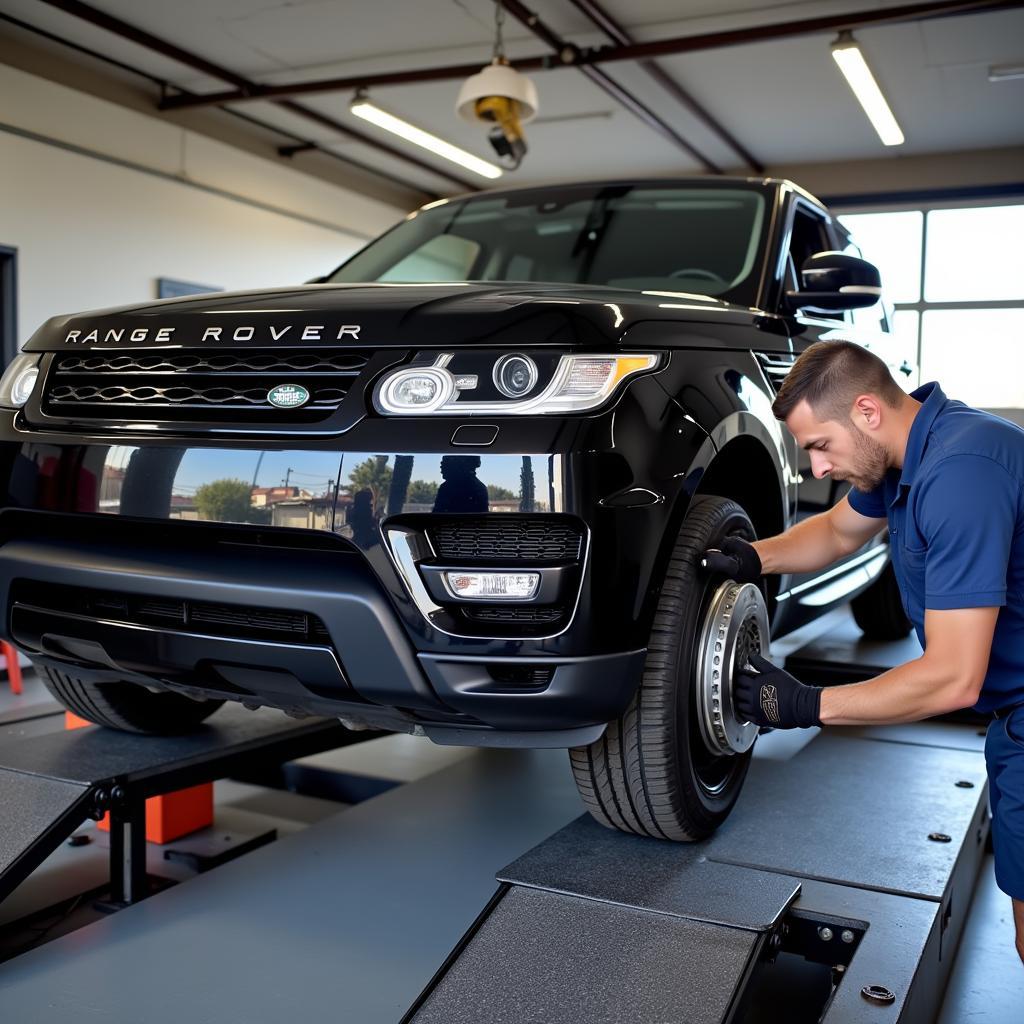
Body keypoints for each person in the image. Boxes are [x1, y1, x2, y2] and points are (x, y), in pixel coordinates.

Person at [702, 339, 1024, 965]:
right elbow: (835, 531)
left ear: (868, 412)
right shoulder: (907, 456)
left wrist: (805, 704)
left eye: (821, 445)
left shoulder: (961, 476)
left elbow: (953, 679)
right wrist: (752, 556)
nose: (816, 470)